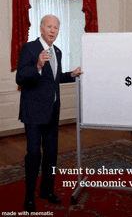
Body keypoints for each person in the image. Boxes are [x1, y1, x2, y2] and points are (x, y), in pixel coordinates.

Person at [16, 14, 83, 212]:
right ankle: (29, 198)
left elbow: (53, 79)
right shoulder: (30, 48)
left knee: (51, 156)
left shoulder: (58, 52)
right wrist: (37, 65)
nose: (53, 30)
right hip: (33, 114)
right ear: (41, 28)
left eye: (56, 27)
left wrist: (71, 75)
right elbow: (20, 77)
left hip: (52, 113)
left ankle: (47, 190)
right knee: (34, 155)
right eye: (49, 26)